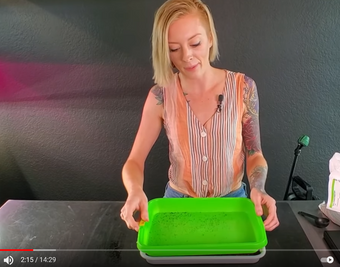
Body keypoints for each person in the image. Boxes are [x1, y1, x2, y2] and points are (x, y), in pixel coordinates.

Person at [120, 0, 280, 232]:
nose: (186, 56)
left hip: (233, 203)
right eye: (174, 48)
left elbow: (255, 154)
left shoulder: (243, 88)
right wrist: (135, 190)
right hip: (177, 204)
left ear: (210, 38)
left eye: (195, 43)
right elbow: (134, 162)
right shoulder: (161, 95)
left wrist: (259, 187)